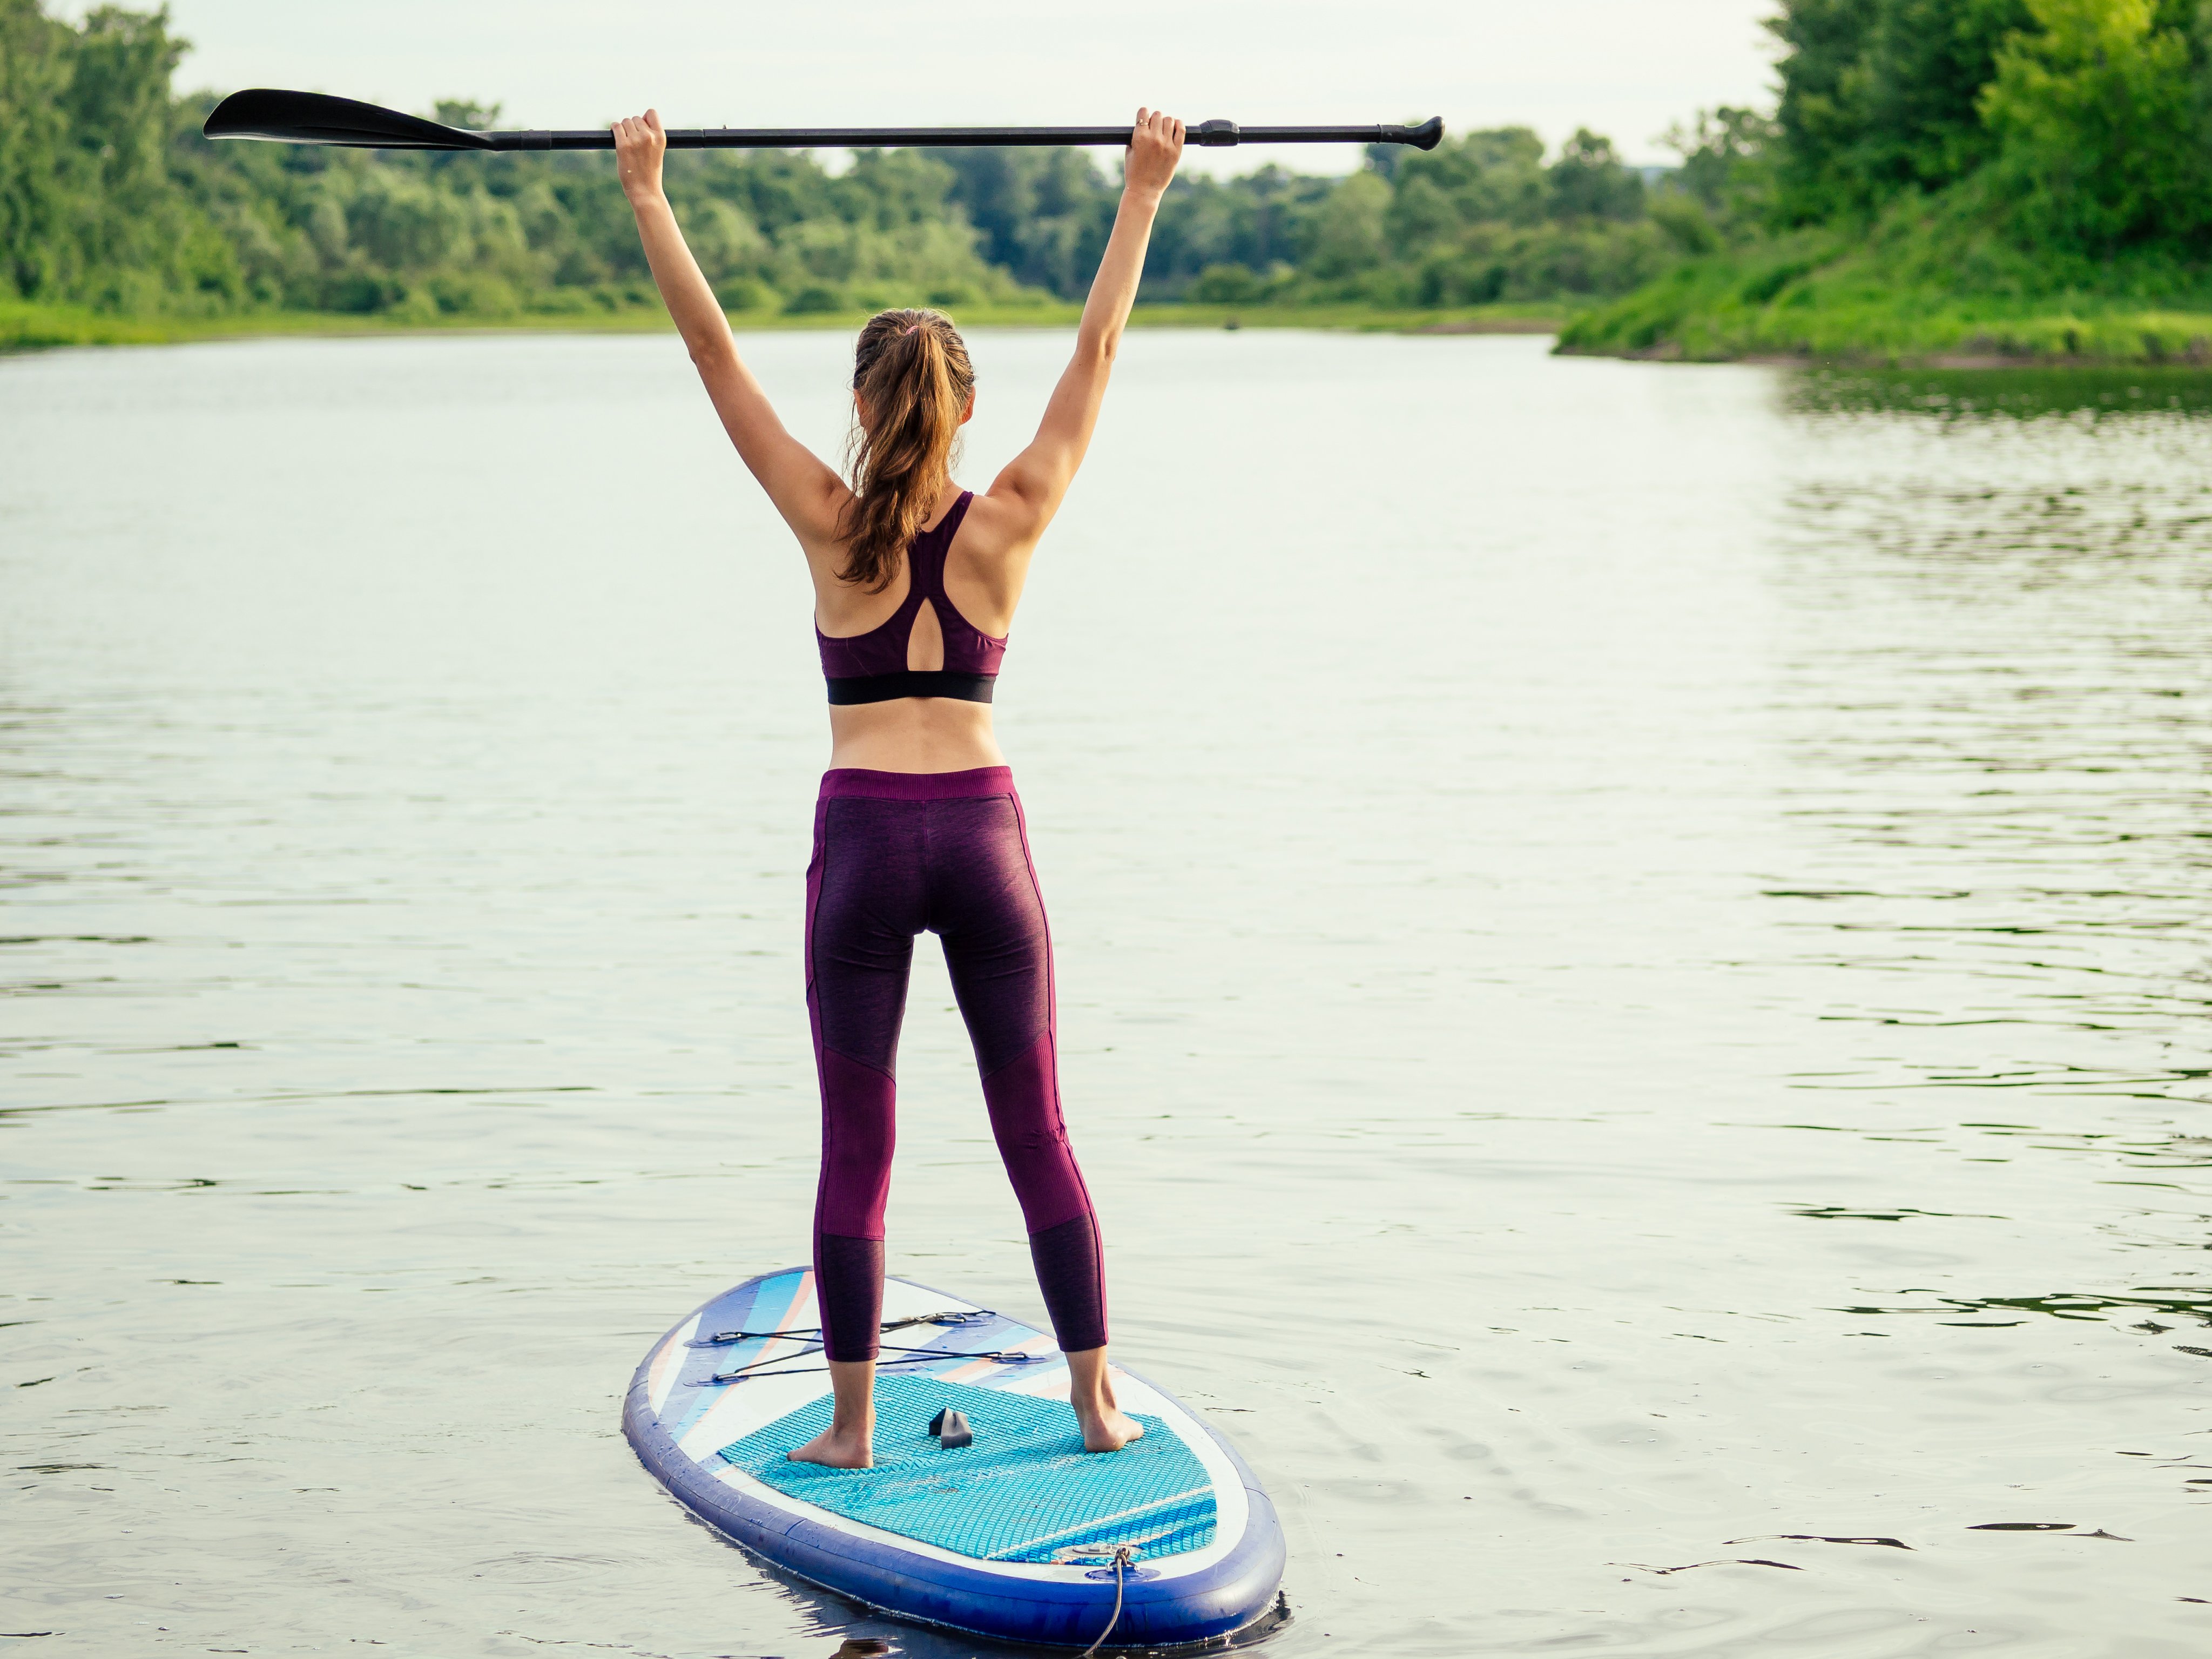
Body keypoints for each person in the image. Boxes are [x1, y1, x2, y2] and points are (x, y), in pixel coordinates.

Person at [613, 105, 1186, 1467]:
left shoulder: (826, 521)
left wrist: (648, 193)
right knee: (1034, 1128)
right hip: (984, 841)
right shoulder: (1011, 516)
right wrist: (1142, 191)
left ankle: (855, 1427)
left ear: (862, 405)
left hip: (865, 843)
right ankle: (1096, 1405)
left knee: (856, 1143)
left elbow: (711, 354)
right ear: (966, 408)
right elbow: (1098, 351)